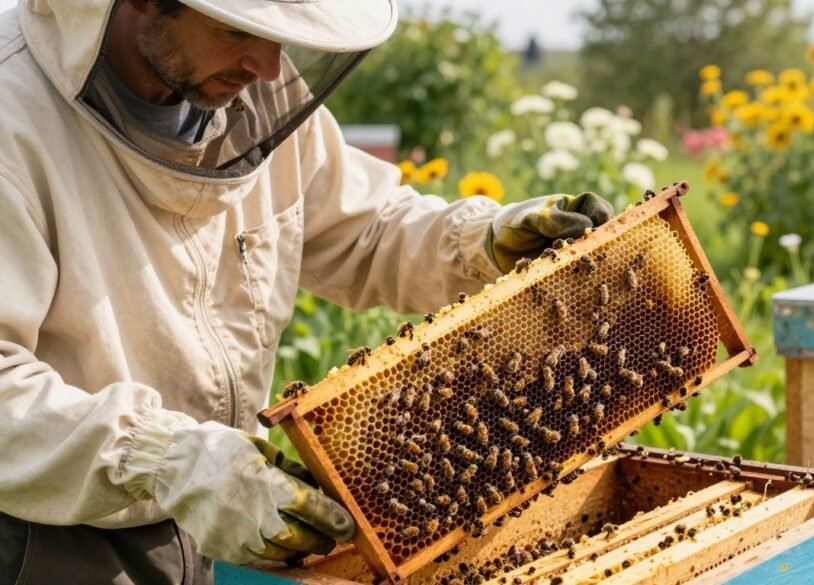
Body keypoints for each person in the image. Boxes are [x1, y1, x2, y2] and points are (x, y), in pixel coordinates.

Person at [0, 0, 612, 582]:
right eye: (238, 29)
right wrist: (166, 459)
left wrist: (480, 241)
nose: (268, 65)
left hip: (209, 524)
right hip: (43, 538)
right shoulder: (14, 120)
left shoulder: (253, 96)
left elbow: (364, 230)